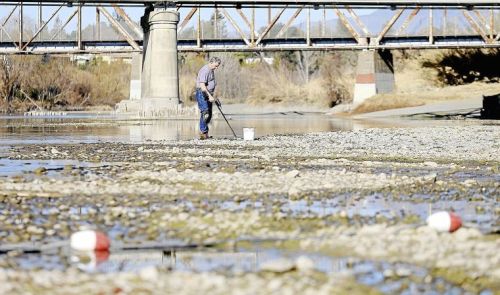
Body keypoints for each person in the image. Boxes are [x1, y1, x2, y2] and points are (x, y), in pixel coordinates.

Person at [195, 56, 221, 140]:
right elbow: (202, 86)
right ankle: (203, 133)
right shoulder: (205, 70)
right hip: (202, 93)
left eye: (218, 66)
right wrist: (209, 96)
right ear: (211, 62)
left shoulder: (211, 70)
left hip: (209, 93)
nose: (216, 68)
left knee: (209, 114)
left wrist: (214, 97)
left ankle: (205, 133)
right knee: (205, 111)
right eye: (215, 66)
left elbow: (210, 84)